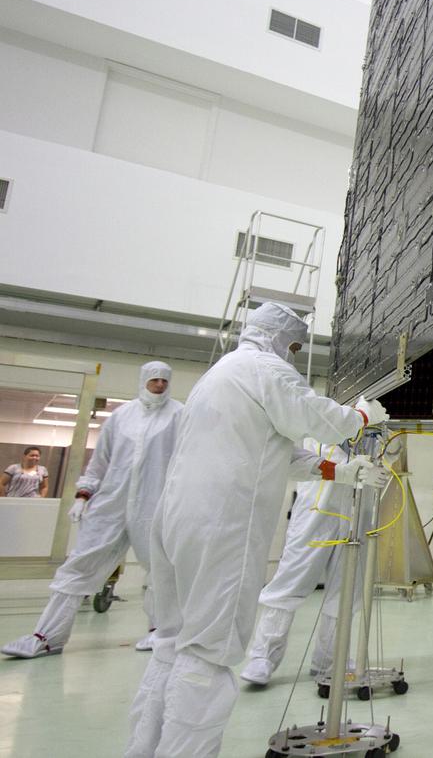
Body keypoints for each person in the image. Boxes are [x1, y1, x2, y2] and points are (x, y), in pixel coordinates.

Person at [124, 302, 390, 758]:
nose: (293, 353)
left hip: (176, 522)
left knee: (172, 641)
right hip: (221, 525)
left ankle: (143, 750)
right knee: (209, 652)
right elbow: (315, 419)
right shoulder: (265, 368)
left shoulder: (220, 375)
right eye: (293, 344)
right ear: (278, 339)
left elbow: (275, 450)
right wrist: (362, 417)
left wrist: (340, 473)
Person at [2, 362, 182, 659]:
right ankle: (47, 636)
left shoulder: (179, 415)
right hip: (111, 503)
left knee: (162, 569)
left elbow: (185, 463)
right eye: (154, 380)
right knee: (79, 564)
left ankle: (161, 633)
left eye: (165, 380)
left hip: (155, 504)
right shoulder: (122, 416)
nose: (160, 385)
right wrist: (84, 494)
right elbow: (101, 460)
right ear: (143, 381)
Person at [239, 441, 374, 686]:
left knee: (346, 589)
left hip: (359, 509)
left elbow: (393, 448)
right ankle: (262, 657)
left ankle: (332, 659)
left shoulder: (377, 412)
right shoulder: (322, 407)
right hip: (316, 509)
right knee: (290, 582)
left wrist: (385, 460)